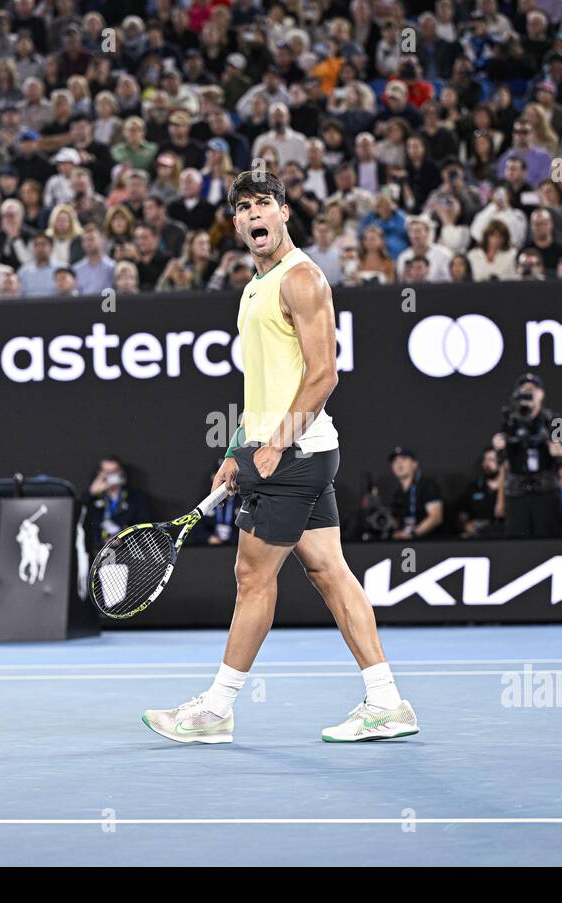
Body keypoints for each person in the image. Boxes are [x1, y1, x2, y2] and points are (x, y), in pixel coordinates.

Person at [142, 170, 419, 746]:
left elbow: (324, 376)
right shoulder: (255, 285)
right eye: (243, 208)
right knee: (329, 570)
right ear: (237, 222)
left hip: (293, 455)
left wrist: (272, 446)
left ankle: (216, 710)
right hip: (296, 450)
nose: (252, 215)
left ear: (284, 213)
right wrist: (237, 447)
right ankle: (388, 702)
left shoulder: (303, 279)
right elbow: (266, 384)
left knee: (251, 577)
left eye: (263, 203)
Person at [492, 373, 562, 538]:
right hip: (517, 493)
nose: (529, 394)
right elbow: (503, 461)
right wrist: (499, 447)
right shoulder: (511, 421)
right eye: (524, 390)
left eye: (533, 390)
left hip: (545, 492)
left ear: (541, 394)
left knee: (549, 541)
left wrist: (557, 449)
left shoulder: (555, 421)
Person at [82, 457, 149, 553]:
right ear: (99, 473)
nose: (110, 475)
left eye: (114, 471)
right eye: (106, 471)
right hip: (96, 551)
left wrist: (123, 540)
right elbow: (78, 518)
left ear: (121, 472)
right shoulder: (92, 498)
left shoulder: (135, 497)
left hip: (126, 551)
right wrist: (90, 493)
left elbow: (143, 528)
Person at [385, 447, 444, 539]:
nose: (399, 463)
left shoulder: (427, 485)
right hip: (406, 544)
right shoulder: (398, 493)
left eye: (404, 459)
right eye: (395, 460)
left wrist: (413, 534)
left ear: (414, 464)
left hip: (429, 543)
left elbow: (436, 518)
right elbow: (396, 520)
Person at [453, 447, 503, 538]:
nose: (486, 464)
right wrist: (466, 525)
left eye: (491, 460)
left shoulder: (509, 490)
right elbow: (462, 512)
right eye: (485, 460)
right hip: (477, 533)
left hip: (500, 534)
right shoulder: (474, 487)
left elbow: (500, 512)